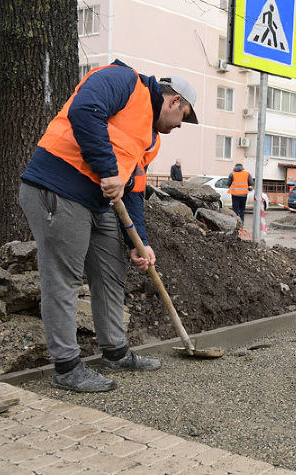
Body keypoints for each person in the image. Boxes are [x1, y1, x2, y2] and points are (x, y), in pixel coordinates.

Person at [19, 60, 198, 392]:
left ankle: (115, 352)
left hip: (99, 199)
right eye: (184, 116)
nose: (180, 125)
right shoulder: (122, 80)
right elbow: (85, 111)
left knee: (111, 273)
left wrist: (139, 242)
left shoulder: (150, 138)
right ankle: (67, 368)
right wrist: (109, 170)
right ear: (174, 101)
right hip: (58, 187)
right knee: (63, 278)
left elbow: (135, 190)